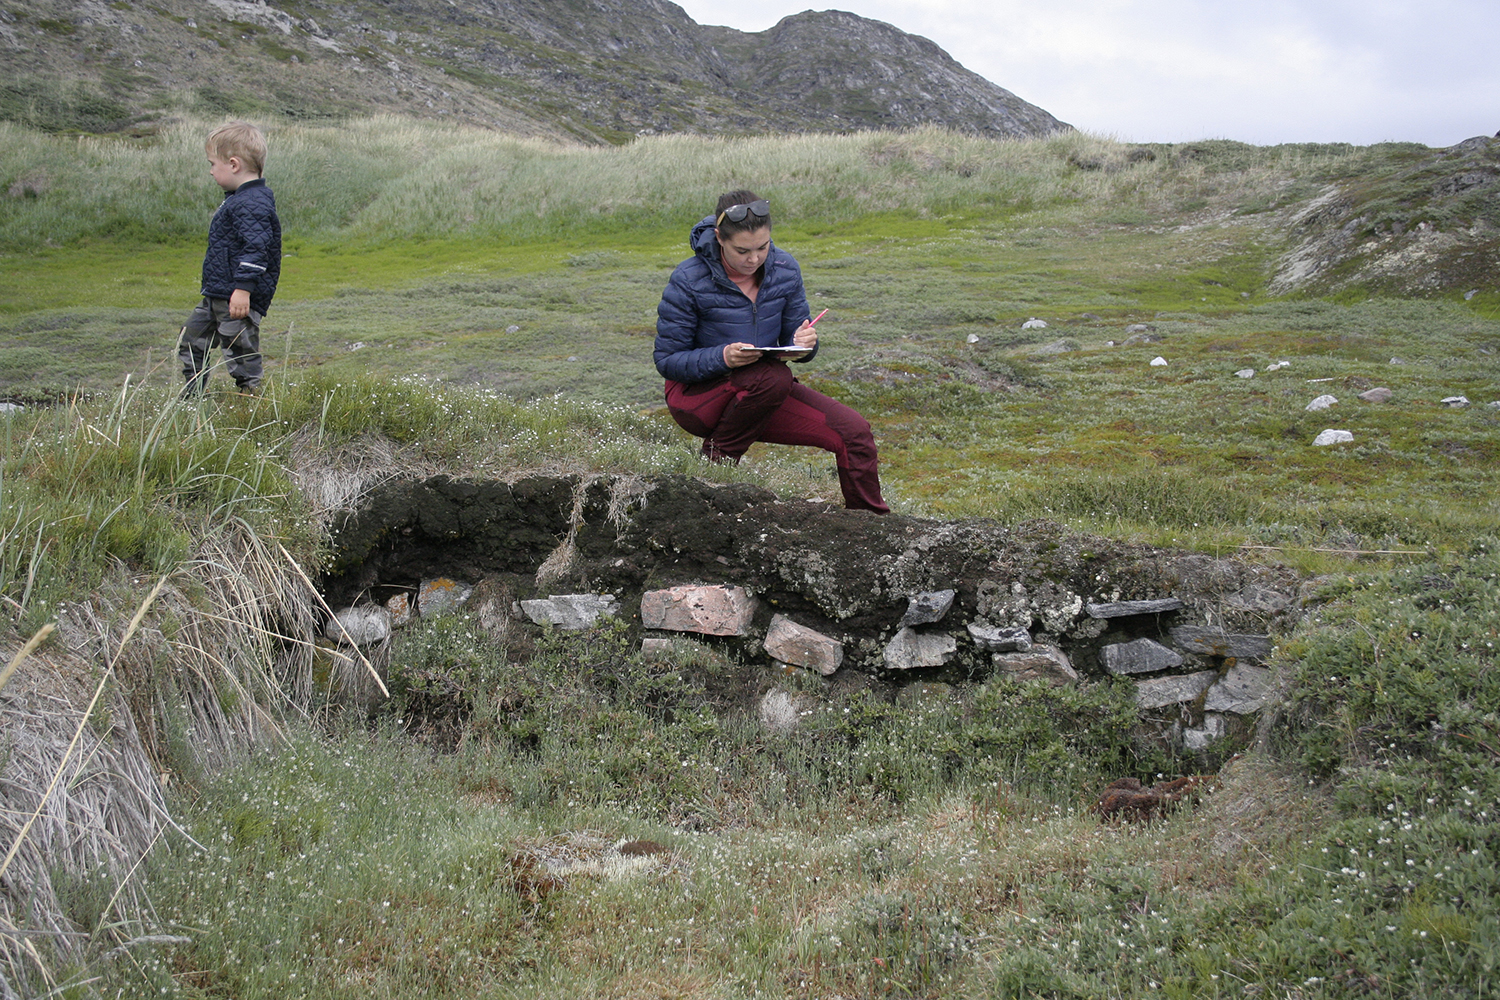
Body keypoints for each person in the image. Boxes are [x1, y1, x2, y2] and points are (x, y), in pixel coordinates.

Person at [654, 190, 889, 513]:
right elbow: (668, 361)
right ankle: (715, 466)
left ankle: (871, 523)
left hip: (763, 390)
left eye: (762, 247)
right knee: (773, 377)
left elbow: (795, 343)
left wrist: (806, 344)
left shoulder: (785, 269)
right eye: (742, 250)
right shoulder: (687, 279)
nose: (754, 259)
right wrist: (722, 357)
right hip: (696, 398)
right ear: (719, 238)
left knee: (854, 433)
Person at [178, 121, 281, 396]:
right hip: (217, 294)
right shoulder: (239, 198)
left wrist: (243, 290)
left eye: (213, 164)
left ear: (233, 164)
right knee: (191, 338)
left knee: (239, 350)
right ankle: (192, 396)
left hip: (236, 297)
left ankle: (251, 400)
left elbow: (257, 248)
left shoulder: (253, 202)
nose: (211, 171)